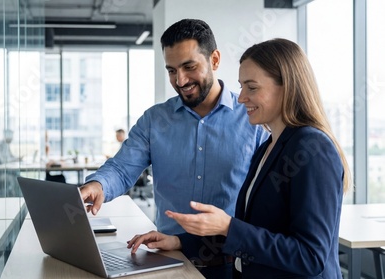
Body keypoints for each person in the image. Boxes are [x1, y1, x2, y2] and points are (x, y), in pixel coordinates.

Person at [127, 38, 352, 279]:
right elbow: (255, 231)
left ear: (287, 86)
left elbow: (311, 256)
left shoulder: (312, 148)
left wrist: (227, 226)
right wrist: (178, 242)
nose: (241, 97)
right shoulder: (269, 145)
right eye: (241, 86)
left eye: (252, 87)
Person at [80, 19, 269, 278]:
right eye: (171, 70)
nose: (180, 80)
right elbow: (123, 168)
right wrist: (98, 185)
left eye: (189, 67)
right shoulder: (155, 119)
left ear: (214, 60)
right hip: (169, 258)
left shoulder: (253, 119)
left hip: (233, 262)